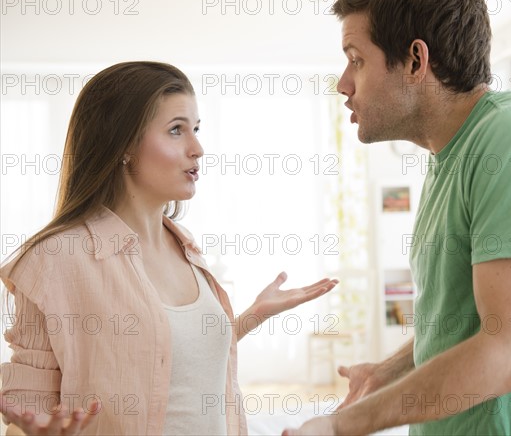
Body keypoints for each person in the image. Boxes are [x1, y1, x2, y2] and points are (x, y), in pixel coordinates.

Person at [284, 0, 511, 435]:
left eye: (356, 60)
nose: (343, 84)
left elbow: (510, 348)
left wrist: (342, 425)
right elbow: (464, 321)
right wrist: (386, 371)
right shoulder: (452, 156)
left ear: (415, 61)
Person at [0, 61, 338, 435]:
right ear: (123, 143)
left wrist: (249, 318)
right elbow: (25, 413)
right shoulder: (55, 259)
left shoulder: (185, 245)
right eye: (176, 130)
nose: (197, 148)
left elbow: (166, 356)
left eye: (195, 129)